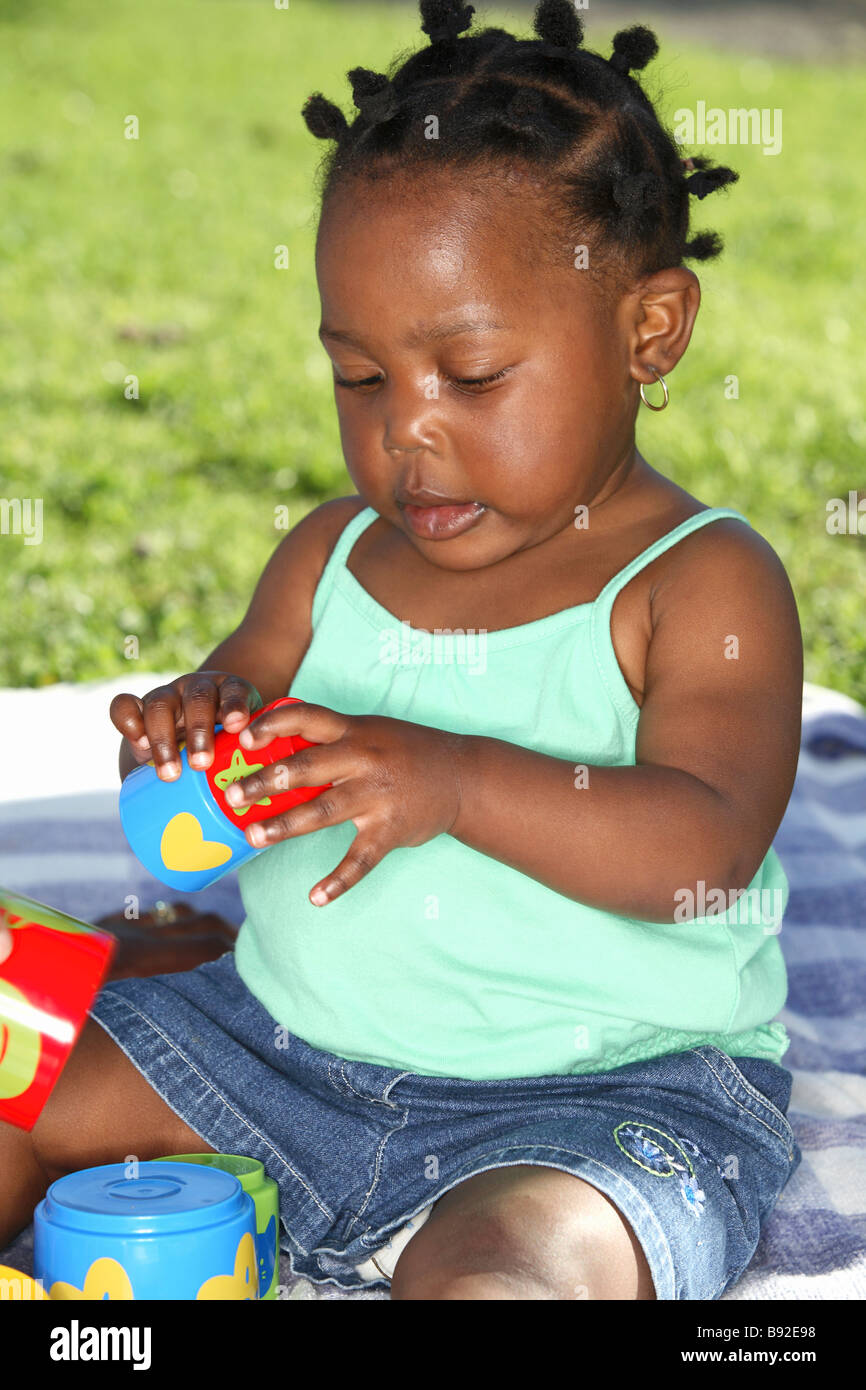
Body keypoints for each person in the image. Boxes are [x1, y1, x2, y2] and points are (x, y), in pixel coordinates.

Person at [1, 0, 803, 1299]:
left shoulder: (700, 580)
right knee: (19, 1072)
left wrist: (455, 780)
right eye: (360, 378)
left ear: (648, 329)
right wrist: (198, 720)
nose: (406, 433)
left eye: (470, 374)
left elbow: (699, 848)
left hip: (586, 1100)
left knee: (515, 1267)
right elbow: (242, 696)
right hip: (267, 1050)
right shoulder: (329, 555)